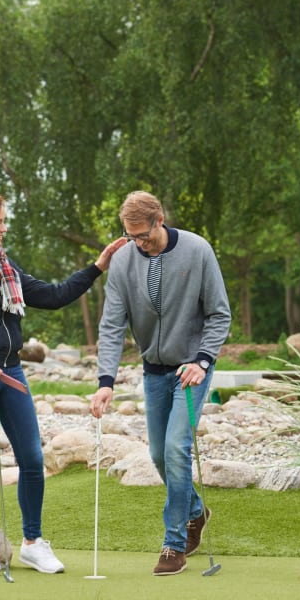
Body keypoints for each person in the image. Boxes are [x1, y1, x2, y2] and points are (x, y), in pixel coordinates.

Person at [0, 191, 128, 576]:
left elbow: (54, 296)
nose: (4, 228)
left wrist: (97, 267)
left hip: (12, 372)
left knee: (33, 460)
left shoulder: (5, 267)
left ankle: (33, 544)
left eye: (4, 221)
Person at [89, 191, 231, 576]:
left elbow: (220, 315)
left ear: (159, 220)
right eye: (131, 236)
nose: (139, 242)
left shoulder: (199, 251)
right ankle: (197, 511)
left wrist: (203, 361)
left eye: (143, 234)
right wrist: (106, 381)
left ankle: (174, 545)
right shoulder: (122, 262)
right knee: (156, 455)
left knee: (175, 449)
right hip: (153, 370)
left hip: (191, 370)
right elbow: (112, 325)